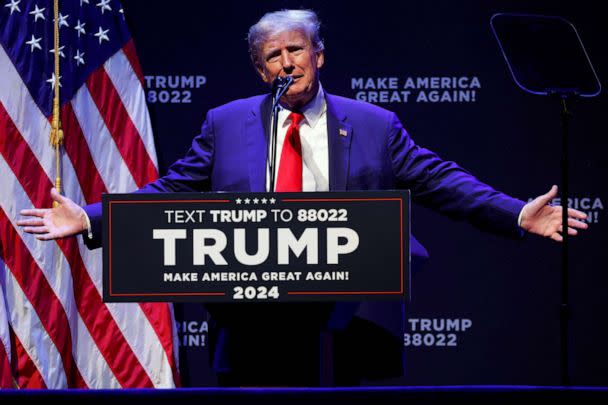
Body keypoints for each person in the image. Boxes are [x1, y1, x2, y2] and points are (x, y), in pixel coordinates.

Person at [18, 9, 588, 386]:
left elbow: (442, 181)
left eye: (296, 49)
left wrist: (515, 212)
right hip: (253, 324)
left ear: (319, 55)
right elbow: (170, 190)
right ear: (258, 67)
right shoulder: (226, 124)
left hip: (354, 325)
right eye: (273, 55)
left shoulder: (373, 124)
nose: (286, 62)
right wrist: (91, 218)